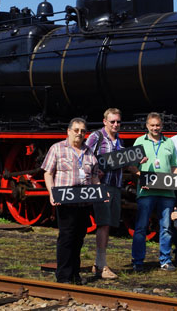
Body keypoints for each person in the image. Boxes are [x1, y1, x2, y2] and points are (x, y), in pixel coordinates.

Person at [42, 118, 102, 284]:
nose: (79, 134)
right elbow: (48, 173)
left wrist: (100, 192)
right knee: (67, 237)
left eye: (82, 131)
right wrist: (52, 193)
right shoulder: (57, 148)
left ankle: (75, 274)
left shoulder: (89, 152)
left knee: (79, 238)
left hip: (84, 202)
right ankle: (63, 276)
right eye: (76, 130)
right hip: (65, 201)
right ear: (68, 131)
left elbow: (95, 176)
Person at [130, 112, 177, 272]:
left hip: (167, 193)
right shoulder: (139, 141)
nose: (155, 128)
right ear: (147, 126)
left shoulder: (168, 143)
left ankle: (165, 260)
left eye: (158, 125)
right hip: (146, 192)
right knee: (141, 227)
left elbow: (173, 167)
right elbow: (132, 166)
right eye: (152, 125)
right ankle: (138, 261)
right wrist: (141, 177)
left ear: (162, 126)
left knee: (166, 227)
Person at [85, 108, 124, 279]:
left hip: (115, 185)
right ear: (105, 121)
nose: (116, 124)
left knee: (108, 224)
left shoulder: (118, 140)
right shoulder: (96, 137)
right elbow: (84, 157)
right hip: (101, 186)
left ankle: (98, 263)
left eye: (118, 121)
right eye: (112, 121)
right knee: (103, 223)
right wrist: (95, 172)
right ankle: (101, 265)